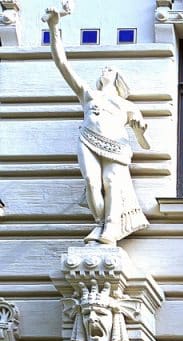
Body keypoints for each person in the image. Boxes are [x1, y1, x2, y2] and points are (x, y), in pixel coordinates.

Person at [44, 4, 150, 245]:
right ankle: (101, 223)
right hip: (88, 140)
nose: (105, 70)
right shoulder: (88, 93)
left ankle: (111, 228)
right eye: (104, 68)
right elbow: (62, 63)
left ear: (117, 78)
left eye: (110, 69)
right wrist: (54, 26)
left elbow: (145, 144)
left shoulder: (127, 105)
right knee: (92, 183)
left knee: (111, 182)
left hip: (117, 146)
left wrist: (140, 131)